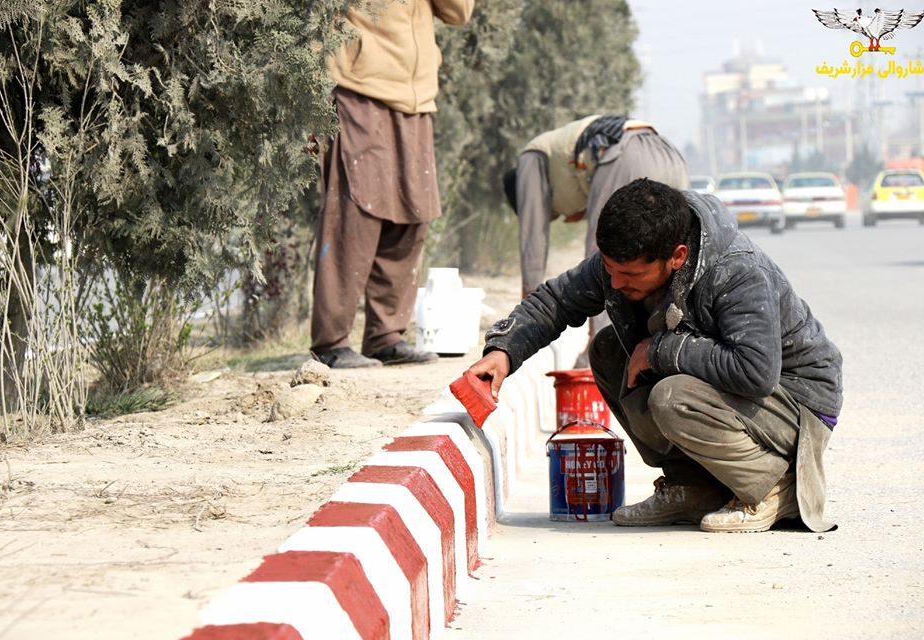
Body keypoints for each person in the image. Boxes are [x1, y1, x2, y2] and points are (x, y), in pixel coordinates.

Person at [468, 178, 843, 533]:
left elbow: (755, 371)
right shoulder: (622, 263)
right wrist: (503, 351)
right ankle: (693, 487)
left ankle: (775, 487)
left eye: (630, 274)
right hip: (742, 396)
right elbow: (556, 301)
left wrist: (661, 350)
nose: (615, 283)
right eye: (609, 269)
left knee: (673, 396)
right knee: (609, 350)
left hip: (797, 404)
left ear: (677, 256)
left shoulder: (737, 271)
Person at [310, 0, 475, 369]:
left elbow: (459, 13)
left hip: (417, 95)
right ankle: (331, 341)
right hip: (358, 87)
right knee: (353, 213)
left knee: (414, 212)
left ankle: (386, 335)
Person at [503, 115, 688, 300]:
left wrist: (528, 302)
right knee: (665, 254)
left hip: (624, 154)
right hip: (670, 155)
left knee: (604, 253)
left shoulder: (531, 158)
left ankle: (599, 328)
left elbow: (533, 236)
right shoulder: (562, 152)